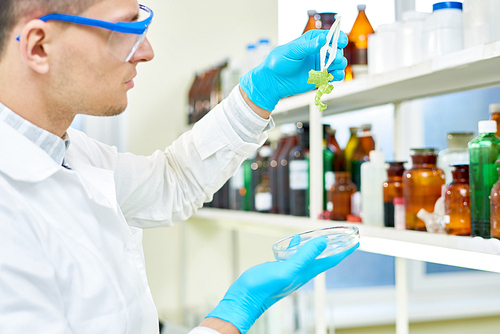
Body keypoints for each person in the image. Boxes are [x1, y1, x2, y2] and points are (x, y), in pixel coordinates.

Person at [0, 0, 356, 333]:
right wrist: (233, 315)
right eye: (123, 31)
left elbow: (172, 180)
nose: (146, 51)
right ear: (38, 47)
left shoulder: (69, 151)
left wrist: (258, 94)